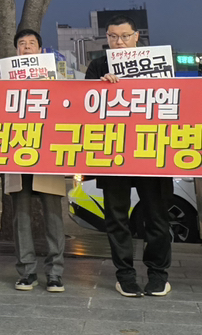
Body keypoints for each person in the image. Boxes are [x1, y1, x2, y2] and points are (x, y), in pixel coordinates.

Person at [85, 15, 173, 297]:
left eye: (124, 36)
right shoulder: (98, 66)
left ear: (137, 36)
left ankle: (158, 274)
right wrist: (100, 87)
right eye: (112, 37)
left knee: (156, 217)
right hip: (113, 151)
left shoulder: (158, 64)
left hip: (152, 149)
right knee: (116, 217)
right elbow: (84, 107)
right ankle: (125, 275)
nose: (119, 42)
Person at [5, 29, 66, 292]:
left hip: (48, 155)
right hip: (16, 155)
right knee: (21, 218)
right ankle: (27, 272)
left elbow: (70, 103)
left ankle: (55, 273)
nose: (27, 47)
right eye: (22, 44)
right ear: (16, 51)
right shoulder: (4, 79)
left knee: (53, 217)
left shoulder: (57, 78)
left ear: (40, 50)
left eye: (32, 43)